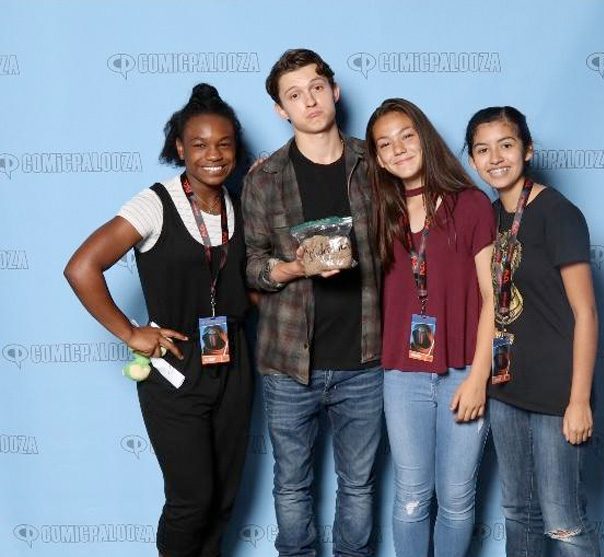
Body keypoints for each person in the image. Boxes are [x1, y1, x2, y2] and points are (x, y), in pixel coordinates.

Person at [64, 84, 253, 557]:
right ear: (179, 148)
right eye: (199, 144)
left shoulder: (239, 206)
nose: (213, 155)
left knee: (224, 501)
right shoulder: (155, 202)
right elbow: (81, 267)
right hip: (176, 369)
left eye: (224, 144)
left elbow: (240, 286)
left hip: (235, 366)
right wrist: (131, 332)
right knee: (192, 501)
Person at [242, 49, 383, 557]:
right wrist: (294, 267)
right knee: (291, 485)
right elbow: (251, 264)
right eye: (294, 95)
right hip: (288, 365)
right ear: (281, 110)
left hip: (366, 360)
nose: (309, 101)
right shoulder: (263, 179)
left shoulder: (374, 164)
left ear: (335, 90)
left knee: (360, 485)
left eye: (316, 87)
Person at [465, 106, 600, 556]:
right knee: (518, 513)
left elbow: (586, 314)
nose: (495, 158)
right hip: (506, 387)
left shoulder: (557, 213)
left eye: (506, 145)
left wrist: (578, 400)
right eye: (482, 150)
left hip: (556, 392)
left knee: (562, 520)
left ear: (527, 150)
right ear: (472, 160)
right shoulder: (487, 216)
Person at [366, 98, 495, 557]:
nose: (398, 149)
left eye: (406, 136)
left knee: (457, 500)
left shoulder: (473, 204)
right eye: (385, 144)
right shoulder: (378, 209)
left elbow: (492, 296)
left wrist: (480, 376)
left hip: (464, 371)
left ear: (425, 137)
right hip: (401, 374)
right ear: (377, 157)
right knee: (411, 496)